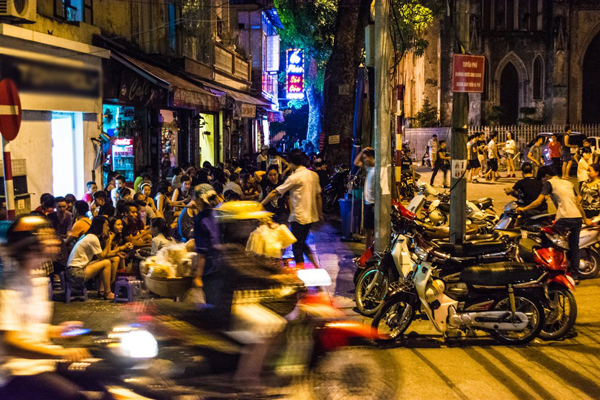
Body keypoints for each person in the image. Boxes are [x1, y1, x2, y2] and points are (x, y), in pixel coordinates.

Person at [0, 215, 91, 400]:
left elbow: (30, 327)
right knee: (74, 396)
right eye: (46, 237)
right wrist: (60, 351)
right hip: (16, 372)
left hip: (43, 362)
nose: (54, 242)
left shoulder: (37, 278)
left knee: (99, 373)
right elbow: (11, 342)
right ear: (30, 246)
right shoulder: (8, 285)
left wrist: (58, 330)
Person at [517, 166, 592, 280]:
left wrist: (523, 209)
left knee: (547, 241)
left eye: (542, 180)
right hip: (577, 218)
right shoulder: (568, 183)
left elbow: (538, 201)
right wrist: (584, 218)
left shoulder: (550, 183)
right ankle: (575, 275)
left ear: (546, 176)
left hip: (564, 218)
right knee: (574, 246)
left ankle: (553, 270)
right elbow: (578, 201)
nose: (542, 183)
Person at [262, 149, 323, 268]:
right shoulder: (313, 175)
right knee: (300, 243)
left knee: (297, 248)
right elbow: (318, 196)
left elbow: (276, 192)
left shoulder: (294, 177)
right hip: (311, 216)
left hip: (299, 217)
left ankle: (301, 275)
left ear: (291, 162)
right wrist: (320, 214)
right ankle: (316, 266)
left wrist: (261, 204)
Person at [66, 216, 124, 300]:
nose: (108, 228)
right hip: (75, 273)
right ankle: (107, 292)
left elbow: (103, 256)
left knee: (108, 261)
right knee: (106, 262)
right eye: (107, 226)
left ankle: (102, 290)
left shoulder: (91, 236)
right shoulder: (93, 238)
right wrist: (109, 241)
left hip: (73, 271)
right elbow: (102, 256)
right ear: (100, 226)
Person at [191, 184, 221, 295]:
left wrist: (198, 276)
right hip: (220, 264)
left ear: (199, 200)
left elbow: (202, 252)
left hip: (209, 268)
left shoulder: (200, 220)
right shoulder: (215, 213)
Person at [354, 147, 375, 248]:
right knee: (368, 231)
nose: (364, 160)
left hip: (373, 204)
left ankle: (371, 251)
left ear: (372, 157)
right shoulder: (369, 168)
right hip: (368, 203)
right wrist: (362, 151)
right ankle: (367, 251)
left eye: (366, 158)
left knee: (372, 231)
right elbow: (356, 162)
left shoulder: (376, 170)